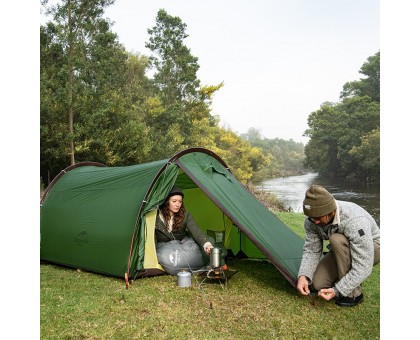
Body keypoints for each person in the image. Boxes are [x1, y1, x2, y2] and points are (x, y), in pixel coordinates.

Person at [296, 185, 380, 307]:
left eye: (318, 218)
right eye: (312, 218)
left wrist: (338, 290)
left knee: (336, 239)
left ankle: (353, 294)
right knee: (317, 284)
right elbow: (312, 250)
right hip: (343, 249)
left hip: (374, 248)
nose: (315, 222)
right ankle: (344, 279)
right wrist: (304, 276)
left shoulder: (355, 221)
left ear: (331, 212)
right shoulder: (312, 221)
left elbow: (364, 264)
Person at [155, 186, 214, 275]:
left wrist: (207, 244)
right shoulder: (156, 217)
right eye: (174, 201)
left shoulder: (185, 214)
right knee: (166, 257)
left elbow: (195, 230)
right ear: (167, 201)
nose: (177, 204)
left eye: (180, 201)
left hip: (182, 243)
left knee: (209, 241)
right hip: (165, 247)